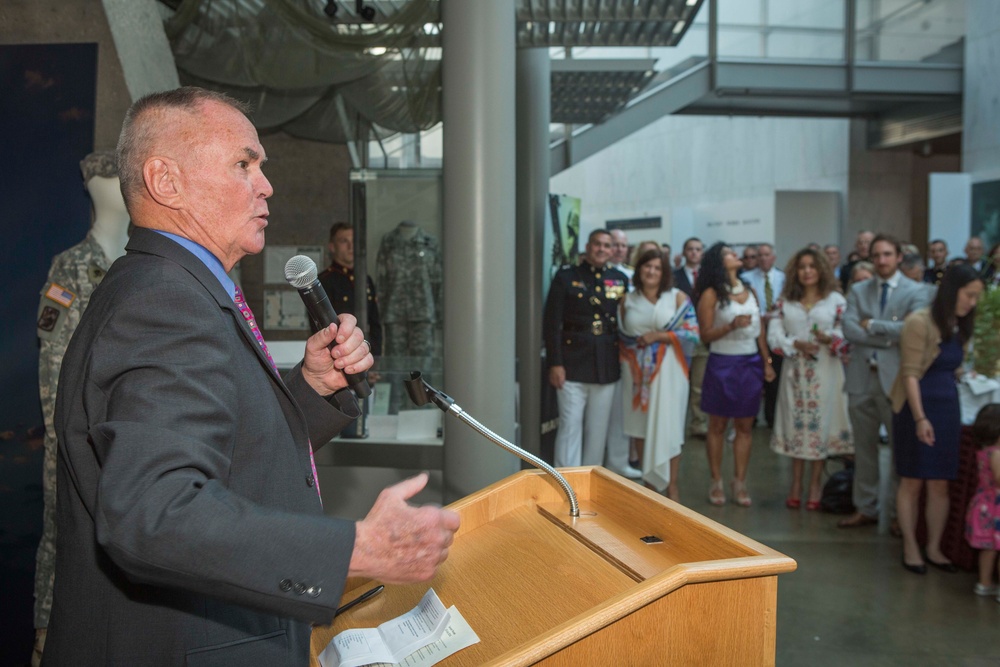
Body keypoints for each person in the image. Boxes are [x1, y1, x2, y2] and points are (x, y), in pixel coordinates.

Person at [43, 87, 459, 665]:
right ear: (167, 182)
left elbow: (224, 448)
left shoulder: (175, 285)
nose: (266, 185)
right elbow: (156, 513)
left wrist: (309, 390)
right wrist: (353, 551)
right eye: (244, 164)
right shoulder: (164, 302)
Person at [33, 151, 130, 664]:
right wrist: (65, 446)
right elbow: (53, 374)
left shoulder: (138, 268)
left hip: (128, 453)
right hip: (76, 450)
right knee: (65, 556)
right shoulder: (70, 268)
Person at [890, 264, 984, 574]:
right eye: (969, 295)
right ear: (952, 290)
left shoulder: (959, 324)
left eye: (976, 297)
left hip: (947, 407)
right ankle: (910, 546)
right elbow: (911, 374)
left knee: (941, 483)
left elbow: (952, 365)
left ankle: (934, 546)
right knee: (913, 480)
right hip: (917, 407)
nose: (972, 302)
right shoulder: (920, 322)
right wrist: (920, 419)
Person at [839, 234, 931, 530]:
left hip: (897, 382)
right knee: (863, 450)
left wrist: (873, 326)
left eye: (887, 254)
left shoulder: (917, 291)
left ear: (899, 256)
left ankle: (895, 515)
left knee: (897, 450)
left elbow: (911, 330)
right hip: (861, 379)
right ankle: (865, 508)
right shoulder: (858, 289)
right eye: (877, 255)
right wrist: (888, 334)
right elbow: (850, 330)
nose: (881, 260)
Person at [767, 248, 853, 509]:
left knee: (820, 426)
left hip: (826, 371)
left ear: (822, 270)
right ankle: (795, 483)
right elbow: (774, 337)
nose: (807, 271)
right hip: (795, 372)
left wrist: (831, 339)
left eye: (812, 267)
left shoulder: (836, 300)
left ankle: (815, 483)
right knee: (796, 426)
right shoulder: (784, 302)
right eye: (802, 266)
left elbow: (847, 333)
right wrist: (796, 344)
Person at [696, 243, 776, 507]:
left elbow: (760, 331)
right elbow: (705, 334)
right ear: (719, 263)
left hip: (751, 361)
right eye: (729, 253)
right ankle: (716, 480)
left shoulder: (750, 289)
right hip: (722, 362)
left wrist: (766, 362)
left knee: (745, 426)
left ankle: (739, 481)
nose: (736, 255)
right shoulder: (710, 294)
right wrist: (730, 326)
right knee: (717, 426)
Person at [544, 229, 628, 468]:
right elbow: (552, 324)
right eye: (597, 244)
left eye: (607, 245)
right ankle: (567, 483)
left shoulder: (620, 279)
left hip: (606, 364)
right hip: (571, 364)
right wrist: (555, 363)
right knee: (570, 427)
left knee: (597, 432)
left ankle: (591, 483)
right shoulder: (567, 276)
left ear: (612, 250)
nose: (602, 249)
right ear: (588, 246)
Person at [619, 249, 699, 500]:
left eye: (657, 268)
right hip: (636, 375)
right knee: (640, 427)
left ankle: (672, 486)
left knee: (670, 427)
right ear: (639, 269)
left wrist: (659, 336)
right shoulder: (626, 301)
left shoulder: (676, 298)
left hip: (670, 374)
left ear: (664, 273)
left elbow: (693, 333)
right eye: (646, 266)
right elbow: (621, 338)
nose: (651, 272)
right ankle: (650, 486)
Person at [318, 221, 383, 357]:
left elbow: (375, 324)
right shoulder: (324, 281)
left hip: (366, 352)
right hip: (340, 354)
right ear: (332, 247)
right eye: (343, 241)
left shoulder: (365, 279)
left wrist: (375, 357)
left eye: (354, 241)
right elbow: (320, 327)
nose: (350, 246)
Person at [744, 242, 785, 428]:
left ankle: (772, 418)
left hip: (777, 331)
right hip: (753, 332)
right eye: (759, 255)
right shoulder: (746, 279)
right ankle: (749, 417)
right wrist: (761, 317)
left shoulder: (784, 278)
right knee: (753, 375)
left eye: (766, 254)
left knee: (774, 374)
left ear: (774, 257)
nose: (762, 258)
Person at [673, 237, 709, 438]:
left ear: (702, 253)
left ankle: (698, 423)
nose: (694, 252)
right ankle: (676, 423)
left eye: (698, 249)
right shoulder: (674, 276)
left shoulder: (708, 277)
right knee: (678, 383)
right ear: (684, 252)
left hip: (703, 337)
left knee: (698, 385)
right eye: (690, 249)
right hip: (679, 338)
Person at [965, 403, 1000, 598]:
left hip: (986, 504)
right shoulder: (997, 454)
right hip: (996, 507)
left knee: (988, 549)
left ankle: (984, 583)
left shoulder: (984, 452)